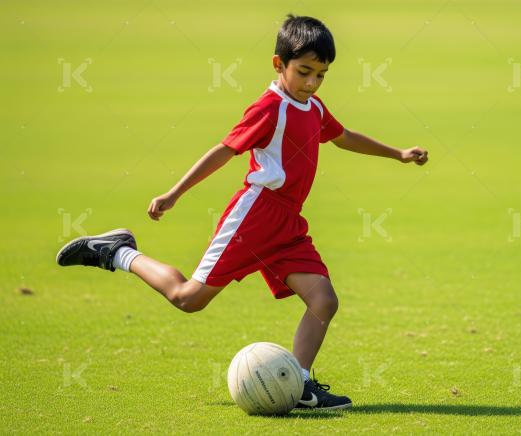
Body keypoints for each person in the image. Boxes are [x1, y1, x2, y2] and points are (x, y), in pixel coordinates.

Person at [56, 14, 429, 411]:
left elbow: (344, 137)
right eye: (304, 72)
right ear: (278, 64)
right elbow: (224, 150)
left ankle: (300, 385)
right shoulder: (270, 108)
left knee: (323, 300)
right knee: (188, 298)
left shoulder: (314, 107)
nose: (312, 83)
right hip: (255, 216)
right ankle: (117, 252)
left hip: (288, 222)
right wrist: (175, 192)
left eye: (321, 75)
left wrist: (398, 154)